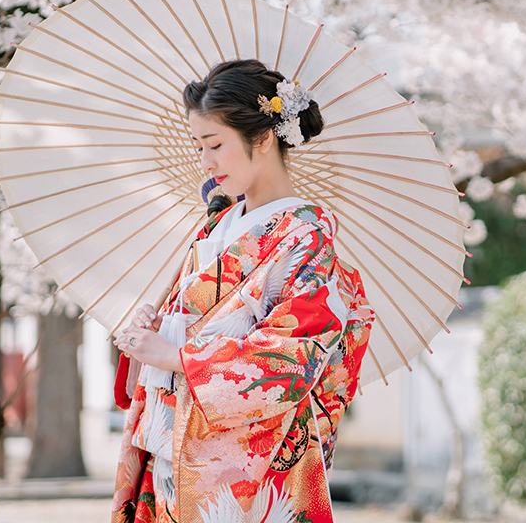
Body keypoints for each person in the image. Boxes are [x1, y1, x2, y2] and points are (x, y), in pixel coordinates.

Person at [111, 59, 374, 523]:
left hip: (240, 468)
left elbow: (291, 359)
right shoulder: (216, 225)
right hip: (168, 442)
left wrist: (175, 356)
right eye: (199, 147)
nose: (206, 162)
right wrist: (158, 327)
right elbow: (193, 319)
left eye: (215, 145)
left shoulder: (306, 238)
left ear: (264, 137)